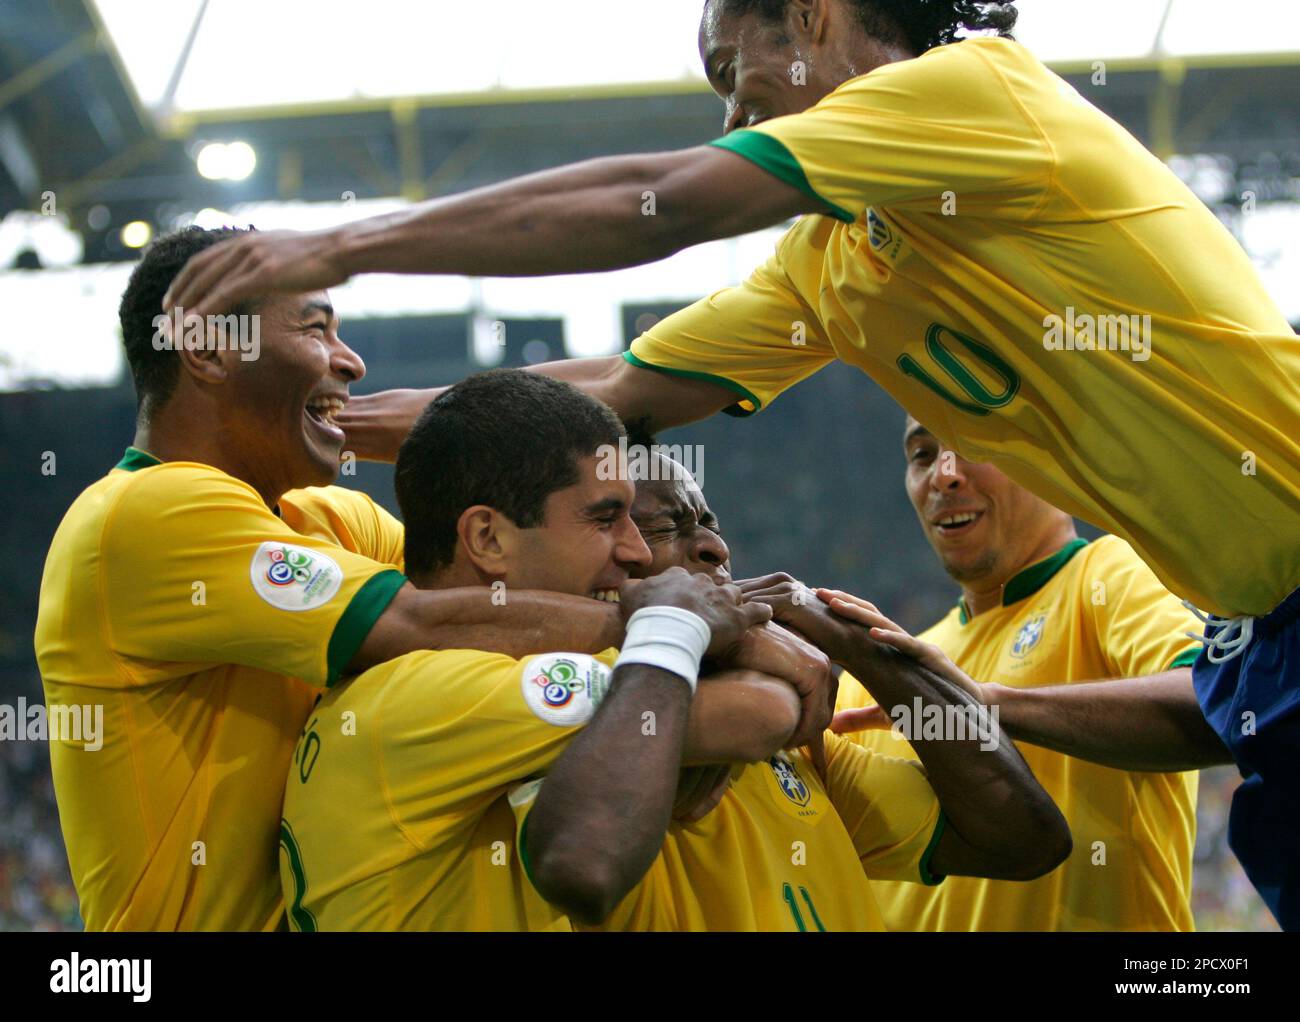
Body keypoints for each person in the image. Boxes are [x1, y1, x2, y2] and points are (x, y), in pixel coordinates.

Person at [162, 0, 1299, 926]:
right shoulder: (832, 264)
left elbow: (664, 203)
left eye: (729, 65)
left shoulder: (978, 90)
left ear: (807, 18)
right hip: (1261, 627)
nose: (729, 106)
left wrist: (343, 244)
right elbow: (623, 392)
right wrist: (350, 421)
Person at [33, 227, 657, 931]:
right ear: (207, 348)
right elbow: (428, 624)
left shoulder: (326, 518)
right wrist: (671, 629)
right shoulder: (141, 514)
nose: (350, 361)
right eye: (316, 328)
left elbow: (483, 595)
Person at [283, 374, 1070, 930]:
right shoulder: (434, 697)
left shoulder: (773, 735)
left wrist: (868, 651)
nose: (711, 550)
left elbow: (1022, 839)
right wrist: (711, 643)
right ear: (488, 537)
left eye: (700, 523)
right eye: (627, 522)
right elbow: (586, 863)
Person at [830, 416, 1203, 930]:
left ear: (1050, 458)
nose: (943, 475)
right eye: (921, 454)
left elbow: (1213, 705)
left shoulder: (1107, 577)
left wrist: (986, 707)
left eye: (970, 442)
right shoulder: (880, 673)